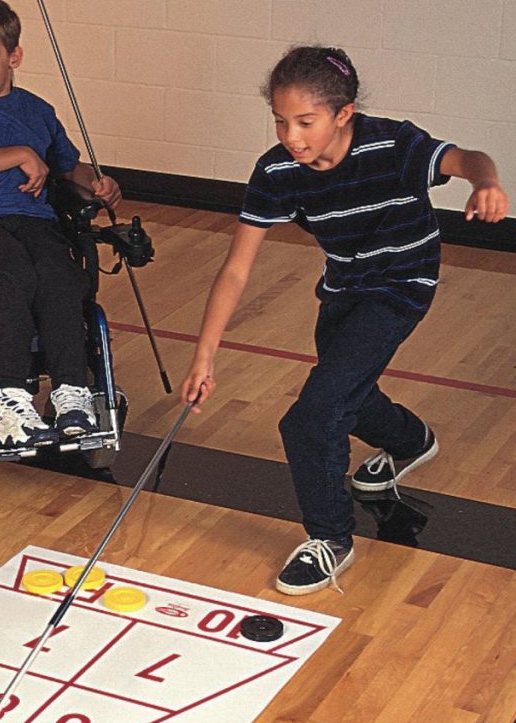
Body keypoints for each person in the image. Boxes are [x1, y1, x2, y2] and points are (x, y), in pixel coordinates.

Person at [180, 45, 509, 596]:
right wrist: (204, 355)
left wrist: (487, 182)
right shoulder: (278, 170)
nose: (292, 136)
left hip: (402, 285)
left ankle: (331, 537)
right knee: (346, 392)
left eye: (305, 122)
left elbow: (468, 158)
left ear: (343, 113)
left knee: (312, 417)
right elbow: (236, 269)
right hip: (342, 289)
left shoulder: (393, 145)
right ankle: (411, 440)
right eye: (281, 121)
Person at [0, 0, 123, 449]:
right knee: (10, 275)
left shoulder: (37, 110)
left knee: (60, 278)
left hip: (34, 220)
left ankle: (71, 390)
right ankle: (5, 397)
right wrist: (19, 154)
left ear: (14, 57)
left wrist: (99, 183)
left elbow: (68, 167)